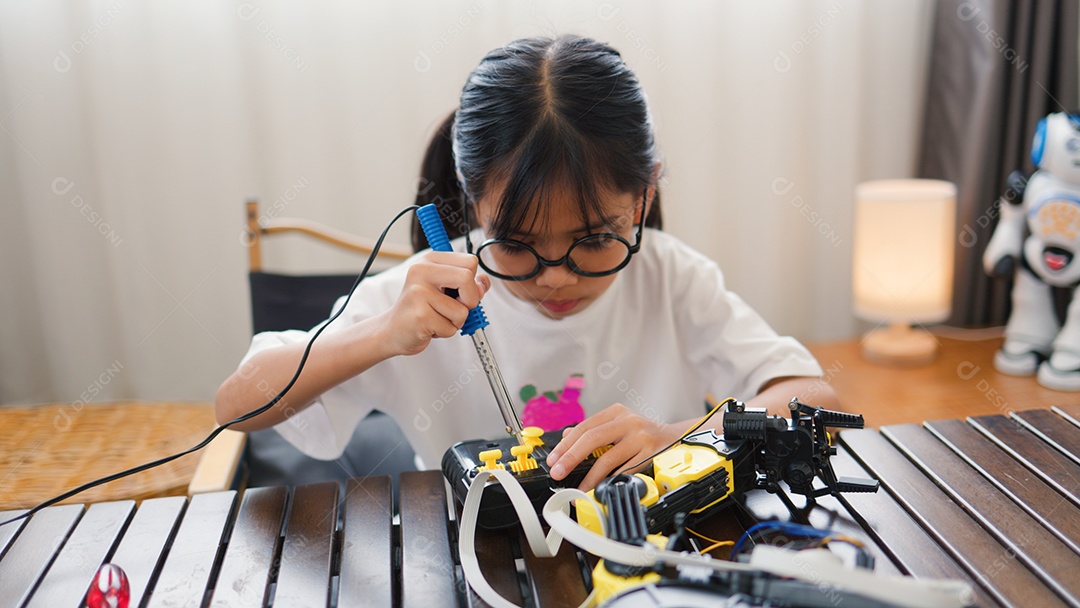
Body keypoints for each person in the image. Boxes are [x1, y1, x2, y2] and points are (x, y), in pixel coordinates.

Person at [215, 35, 836, 491]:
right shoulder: (428, 296)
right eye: (515, 244)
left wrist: (685, 433)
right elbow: (237, 405)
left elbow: (812, 398)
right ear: (471, 201)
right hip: (471, 557)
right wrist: (380, 336)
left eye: (594, 239)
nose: (555, 276)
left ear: (643, 196)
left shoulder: (671, 280)